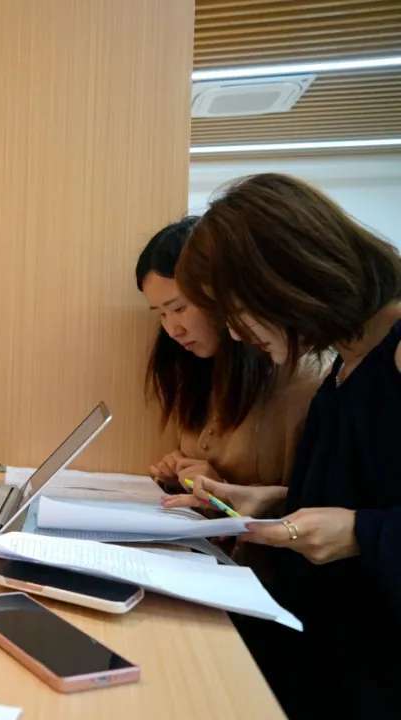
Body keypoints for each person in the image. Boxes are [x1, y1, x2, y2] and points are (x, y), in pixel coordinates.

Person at [169, 173, 401, 718]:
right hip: (321, 647)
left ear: (282, 279)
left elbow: (368, 518)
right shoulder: (348, 356)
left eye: (234, 311)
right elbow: (369, 489)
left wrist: (361, 533)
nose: (233, 334)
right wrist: (271, 500)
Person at [136, 217, 320, 494]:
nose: (173, 330)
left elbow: (315, 506)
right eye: (161, 314)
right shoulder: (197, 368)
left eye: (179, 308)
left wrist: (221, 489)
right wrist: (181, 472)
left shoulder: (304, 381)